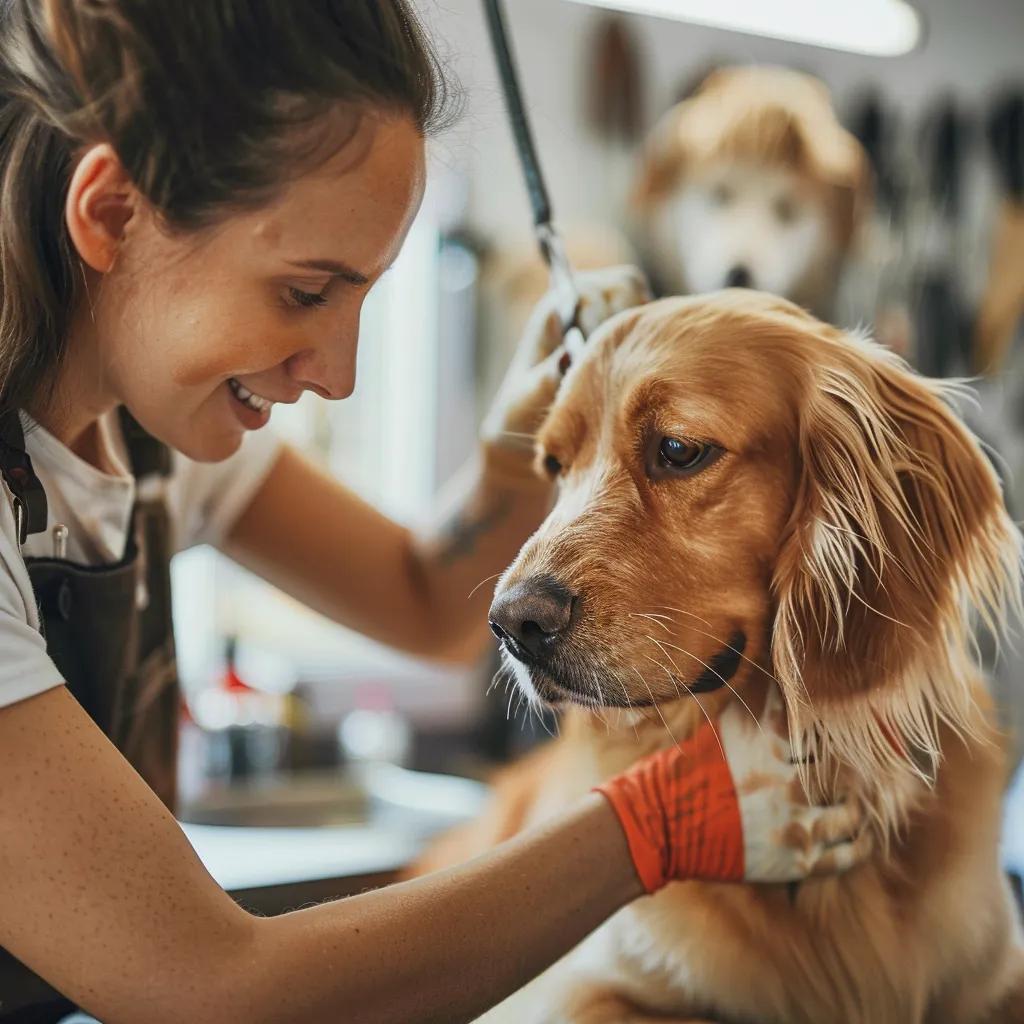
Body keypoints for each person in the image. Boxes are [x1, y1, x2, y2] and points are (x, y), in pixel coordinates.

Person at [0, 3, 869, 1022]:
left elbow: (422, 600)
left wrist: (511, 461)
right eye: (304, 291)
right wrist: (652, 825)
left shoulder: (149, 443)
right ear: (109, 215)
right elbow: (212, 985)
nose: (338, 372)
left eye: (362, 296)